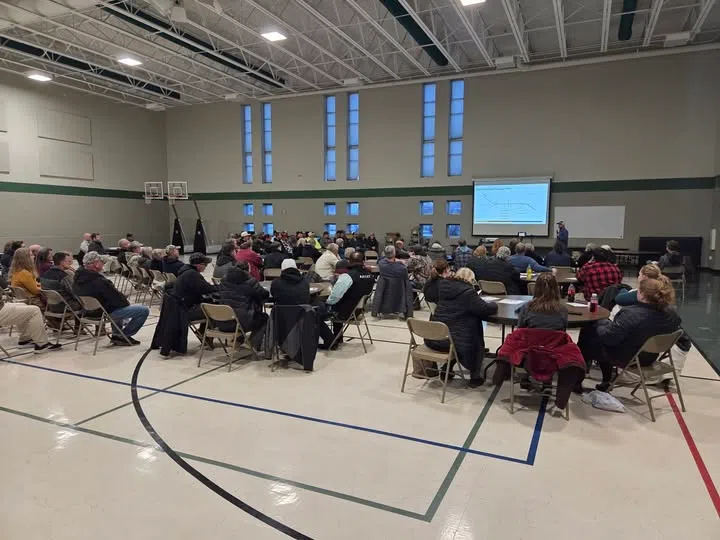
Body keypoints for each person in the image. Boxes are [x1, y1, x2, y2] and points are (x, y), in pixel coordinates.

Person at [579, 276, 681, 391]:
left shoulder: (630, 313)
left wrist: (600, 324)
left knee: (587, 336)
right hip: (649, 357)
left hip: (626, 357)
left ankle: (578, 381)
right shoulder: (672, 314)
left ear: (642, 294)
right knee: (598, 331)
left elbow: (609, 338)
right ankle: (606, 381)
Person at [425, 267, 498, 386]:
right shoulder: (468, 293)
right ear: (471, 280)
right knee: (475, 337)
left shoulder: (443, 288)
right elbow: (485, 309)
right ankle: (475, 377)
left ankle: (447, 369)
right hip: (452, 342)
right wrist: (494, 304)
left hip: (434, 338)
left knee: (460, 329)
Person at [73, 252, 149, 346]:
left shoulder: (77, 279)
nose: (103, 264)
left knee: (116, 304)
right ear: (96, 264)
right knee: (143, 310)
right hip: (104, 312)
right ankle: (122, 335)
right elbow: (118, 300)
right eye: (102, 262)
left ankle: (117, 335)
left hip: (88, 311)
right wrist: (123, 299)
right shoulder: (99, 281)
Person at [271, 259, 337, 348]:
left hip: (282, 317)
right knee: (316, 316)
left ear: (282, 269)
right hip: (302, 315)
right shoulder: (304, 282)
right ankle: (331, 341)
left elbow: (274, 296)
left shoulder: (276, 283)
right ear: (296, 268)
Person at [217, 265, 269, 350]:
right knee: (264, 318)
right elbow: (264, 294)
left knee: (239, 313)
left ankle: (238, 340)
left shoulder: (223, 283)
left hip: (222, 323)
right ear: (247, 271)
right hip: (242, 323)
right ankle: (252, 344)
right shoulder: (250, 283)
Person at [326, 251, 376, 338]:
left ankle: (332, 340)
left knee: (319, 311)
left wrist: (326, 302)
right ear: (363, 261)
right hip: (359, 312)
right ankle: (336, 339)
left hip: (344, 313)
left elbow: (334, 297)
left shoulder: (347, 276)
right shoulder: (370, 276)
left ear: (349, 262)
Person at [172, 253, 218, 329]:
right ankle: (208, 333)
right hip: (186, 311)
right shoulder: (192, 274)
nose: (206, 266)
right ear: (198, 265)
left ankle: (203, 332)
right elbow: (206, 289)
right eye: (205, 264)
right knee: (214, 309)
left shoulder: (186, 272)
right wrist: (221, 287)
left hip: (180, 309)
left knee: (208, 305)